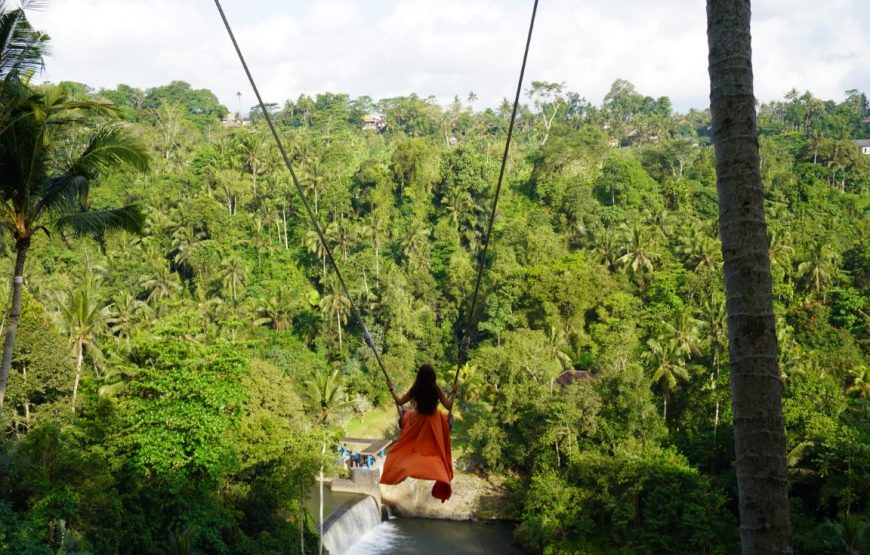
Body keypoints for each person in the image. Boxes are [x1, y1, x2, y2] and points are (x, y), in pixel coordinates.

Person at [379, 363, 456, 502]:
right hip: (434, 422)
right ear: (433, 376)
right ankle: (442, 479)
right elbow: (448, 406)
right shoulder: (436, 388)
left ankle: (403, 470)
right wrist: (454, 393)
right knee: (438, 452)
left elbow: (399, 401)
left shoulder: (416, 388)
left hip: (417, 421)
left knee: (406, 448)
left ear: (419, 376)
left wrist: (391, 389)